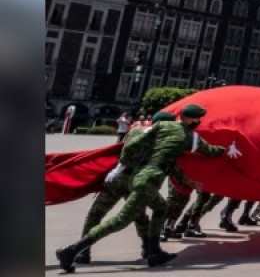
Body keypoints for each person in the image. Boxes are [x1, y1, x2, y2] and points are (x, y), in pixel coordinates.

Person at [56, 104, 239, 272]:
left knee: (159, 209)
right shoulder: (184, 134)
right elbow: (208, 150)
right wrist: (226, 149)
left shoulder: (153, 130)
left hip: (137, 177)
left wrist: (120, 166)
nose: (199, 122)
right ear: (191, 119)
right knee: (123, 219)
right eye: (198, 119)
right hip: (147, 179)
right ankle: (72, 251)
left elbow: (167, 162)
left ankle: (153, 251)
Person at [72, 110, 176, 265]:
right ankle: (148, 248)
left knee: (96, 213)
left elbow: (122, 149)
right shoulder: (164, 141)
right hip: (137, 181)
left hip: (118, 177)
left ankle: (83, 252)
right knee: (140, 215)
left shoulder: (135, 131)